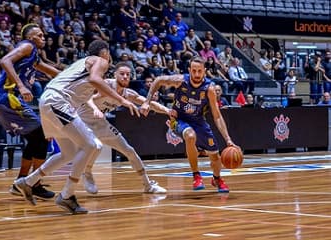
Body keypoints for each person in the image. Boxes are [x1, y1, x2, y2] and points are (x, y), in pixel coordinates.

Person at [13, 40, 140, 214]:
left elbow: (64, 78)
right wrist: (122, 100)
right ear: (105, 53)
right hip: (58, 101)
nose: (109, 58)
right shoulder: (100, 61)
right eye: (108, 54)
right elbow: (95, 79)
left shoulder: (80, 65)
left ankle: (27, 181)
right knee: (91, 144)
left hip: (50, 101)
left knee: (69, 153)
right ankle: (67, 195)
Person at [140, 56, 238, 193]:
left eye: (199, 71)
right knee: (190, 136)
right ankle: (196, 175)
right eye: (194, 71)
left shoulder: (209, 89)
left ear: (205, 71)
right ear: (189, 70)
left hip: (198, 121)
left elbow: (217, 116)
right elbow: (158, 80)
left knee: (215, 157)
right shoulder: (180, 81)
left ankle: (217, 178)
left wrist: (228, 139)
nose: (196, 74)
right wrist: (147, 101)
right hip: (178, 119)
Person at [0, 23, 60, 199]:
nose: (43, 38)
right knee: (43, 136)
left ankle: (22, 182)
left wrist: (74, 75)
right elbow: (4, 60)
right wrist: (21, 86)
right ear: (30, 38)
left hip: (4, 100)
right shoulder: (26, 46)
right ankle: (32, 184)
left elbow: (50, 70)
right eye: (40, 35)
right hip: (9, 97)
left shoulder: (33, 55)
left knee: (36, 140)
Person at [78, 62, 168, 194]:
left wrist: (168, 111)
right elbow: (87, 97)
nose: (125, 77)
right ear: (115, 74)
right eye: (122, 74)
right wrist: (95, 108)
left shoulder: (128, 93)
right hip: (82, 121)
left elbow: (149, 103)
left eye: (128, 74)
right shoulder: (105, 84)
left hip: (100, 123)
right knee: (96, 146)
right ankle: (87, 173)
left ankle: (148, 185)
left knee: (129, 150)